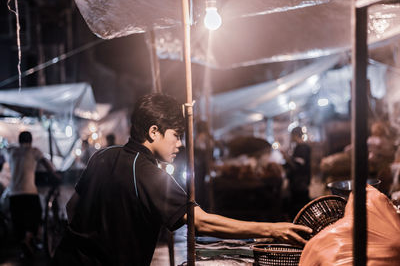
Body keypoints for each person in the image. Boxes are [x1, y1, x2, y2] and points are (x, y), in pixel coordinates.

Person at [52, 93, 311, 266]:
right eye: (176, 135)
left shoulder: (102, 155)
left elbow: (71, 207)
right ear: (154, 131)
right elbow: (203, 222)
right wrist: (273, 229)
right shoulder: (150, 174)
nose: (179, 143)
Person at [6, 131, 60, 257]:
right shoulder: (34, 151)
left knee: (18, 220)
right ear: (30, 141)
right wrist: (56, 176)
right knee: (35, 217)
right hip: (29, 191)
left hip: (13, 192)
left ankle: (25, 244)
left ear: (19, 141)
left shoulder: (12, 151)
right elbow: (47, 165)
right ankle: (28, 238)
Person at [281, 126, 311, 219]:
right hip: (299, 183)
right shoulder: (299, 147)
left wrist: (286, 157)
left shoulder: (302, 148)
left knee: (299, 209)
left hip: (300, 183)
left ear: (295, 135)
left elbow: (297, 166)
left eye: (291, 136)